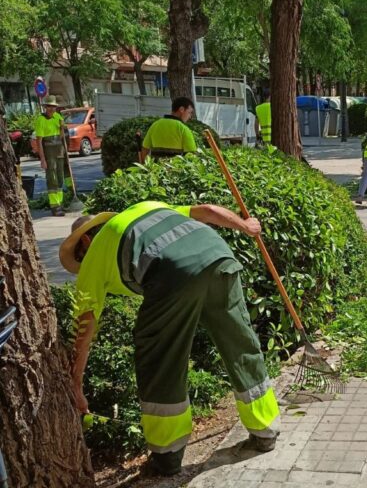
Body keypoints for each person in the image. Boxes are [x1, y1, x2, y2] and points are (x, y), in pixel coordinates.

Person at [60, 201, 280, 476]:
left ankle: (167, 456)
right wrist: (245, 226)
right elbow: (207, 211)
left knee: (159, 359)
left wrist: (75, 382)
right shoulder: (146, 209)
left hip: (171, 274)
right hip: (218, 253)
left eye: (79, 255)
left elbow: (85, 323)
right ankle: (265, 430)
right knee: (240, 344)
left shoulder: (95, 252)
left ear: (87, 240)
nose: (82, 262)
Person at [34, 96, 69, 216]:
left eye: (53, 106)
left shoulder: (58, 117)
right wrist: (42, 159)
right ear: (45, 107)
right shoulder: (41, 120)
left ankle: (60, 204)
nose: (51, 109)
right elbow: (39, 141)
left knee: (60, 178)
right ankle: (54, 207)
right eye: (49, 106)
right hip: (49, 153)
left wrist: (62, 128)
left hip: (59, 152)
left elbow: (62, 137)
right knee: (52, 179)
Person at [140, 97, 197, 163]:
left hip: (155, 170)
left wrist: (146, 166)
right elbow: (191, 155)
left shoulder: (155, 125)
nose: (190, 117)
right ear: (181, 109)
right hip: (175, 171)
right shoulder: (183, 129)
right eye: (189, 112)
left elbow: (145, 149)